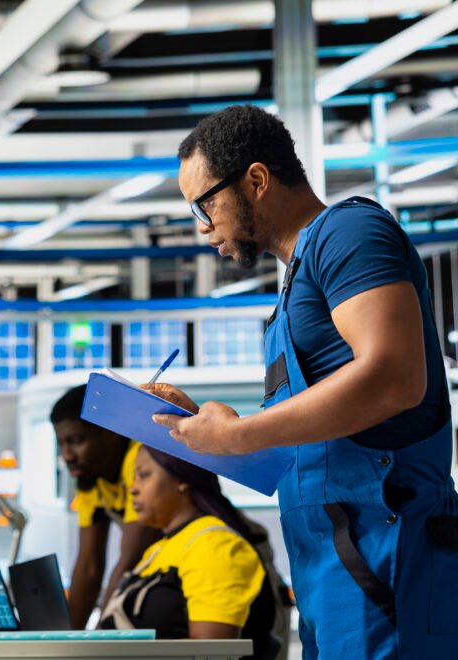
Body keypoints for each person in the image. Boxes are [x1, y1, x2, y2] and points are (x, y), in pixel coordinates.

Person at [151, 104, 456, 658]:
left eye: (205, 204)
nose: (202, 227)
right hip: (328, 575)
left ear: (258, 180)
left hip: (389, 560)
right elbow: (303, 458)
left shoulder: (350, 232)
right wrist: (205, 433)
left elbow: (395, 379)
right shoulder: (292, 293)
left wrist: (241, 434)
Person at [99, 444, 283, 660]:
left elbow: (211, 654)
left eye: (144, 475)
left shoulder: (215, 544)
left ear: (182, 479)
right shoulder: (157, 549)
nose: (132, 488)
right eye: (133, 478)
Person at [50, 385, 161, 628]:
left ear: (111, 433)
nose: (66, 455)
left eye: (76, 440)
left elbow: (129, 561)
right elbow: (88, 566)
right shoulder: (91, 477)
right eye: (61, 444)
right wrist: (68, 640)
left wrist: (98, 638)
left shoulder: (140, 460)